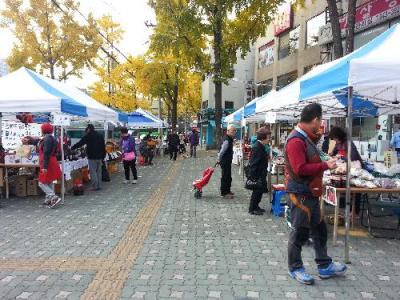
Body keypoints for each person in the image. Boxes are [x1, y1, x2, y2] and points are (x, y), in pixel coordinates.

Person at [285, 103, 346, 285]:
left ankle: (324, 265)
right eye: (320, 120)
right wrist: (325, 165)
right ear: (315, 119)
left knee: (319, 230)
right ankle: (295, 267)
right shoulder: (296, 140)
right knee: (299, 233)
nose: (320, 125)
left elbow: (315, 156)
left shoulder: (306, 138)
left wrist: (327, 160)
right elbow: (300, 168)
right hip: (300, 194)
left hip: (310, 193)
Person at [23, 123, 62, 208]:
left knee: (41, 182)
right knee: (49, 181)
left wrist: (44, 166)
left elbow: (46, 152)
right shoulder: (49, 138)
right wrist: (29, 141)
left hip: (47, 162)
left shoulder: (47, 139)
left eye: (41, 128)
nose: (41, 130)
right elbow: (37, 142)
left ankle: (53, 197)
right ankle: (48, 200)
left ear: (44, 130)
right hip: (50, 161)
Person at [329, 126, 364, 216]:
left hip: (356, 168)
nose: (335, 141)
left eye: (335, 139)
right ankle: (349, 209)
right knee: (348, 188)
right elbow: (334, 152)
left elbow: (353, 156)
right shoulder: (338, 143)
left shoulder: (348, 143)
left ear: (339, 136)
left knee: (355, 189)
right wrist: (332, 154)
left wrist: (340, 156)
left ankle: (355, 211)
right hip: (346, 169)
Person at [71, 124, 106, 191]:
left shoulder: (88, 136)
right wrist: (103, 156)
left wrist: (72, 148)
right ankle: (99, 185)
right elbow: (103, 146)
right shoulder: (100, 135)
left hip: (92, 156)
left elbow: (80, 143)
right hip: (100, 156)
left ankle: (94, 186)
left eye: (86, 130)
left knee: (93, 172)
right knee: (98, 172)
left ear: (89, 129)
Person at [248, 127, 270, 215]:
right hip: (257, 174)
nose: (269, 139)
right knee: (256, 192)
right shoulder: (257, 147)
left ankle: (256, 206)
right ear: (263, 137)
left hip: (261, 173)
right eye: (268, 137)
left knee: (259, 191)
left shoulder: (261, 146)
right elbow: (254, 163)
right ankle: (252, 209)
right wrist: (253, 177)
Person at [217, 125, 236, 199]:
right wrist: (219, 159)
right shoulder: (227, 140)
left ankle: (227, 190)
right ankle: (224, 193)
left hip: (227, 161)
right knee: (225, 177)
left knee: (228, 177)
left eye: (234, 131)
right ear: (228, 131)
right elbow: (222, 151)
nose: (233, 132)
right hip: (225, 161)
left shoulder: (229, 139)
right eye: (232, 131)